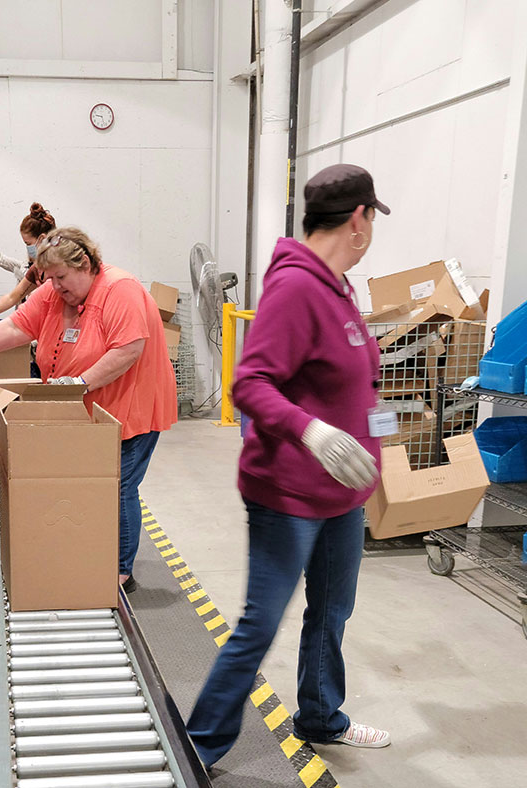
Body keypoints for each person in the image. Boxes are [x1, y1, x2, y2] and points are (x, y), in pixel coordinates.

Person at [186, 163, 393, 768]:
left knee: (332, 611)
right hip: (289, 495)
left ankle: (321, 716)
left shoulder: (340, 287)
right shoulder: (297, 286)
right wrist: (313, 431)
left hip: (342, 498)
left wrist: (374, 429)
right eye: (373, 219)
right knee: (261, 623)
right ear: (359, 220)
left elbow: (354, 378)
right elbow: (249, 383)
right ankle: (199, 747)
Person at [0, 226, 177, 591]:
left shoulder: (120, 289)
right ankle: (91, 549)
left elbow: (128, 350)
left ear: (84, 263)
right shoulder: (55, 294)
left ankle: (119, 570)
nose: (55, 286)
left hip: (131, 406)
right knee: (93, 483)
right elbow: (19, 326)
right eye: (49, 279)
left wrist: (78, 383)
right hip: (88, 408)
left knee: (119, 484)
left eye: (61, 277)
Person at [0, 202, 56, 321]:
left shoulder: (55, 272)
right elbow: (13, 297)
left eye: (28, 244)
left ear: (42, 239)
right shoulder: (28, 268)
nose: (28, 248)